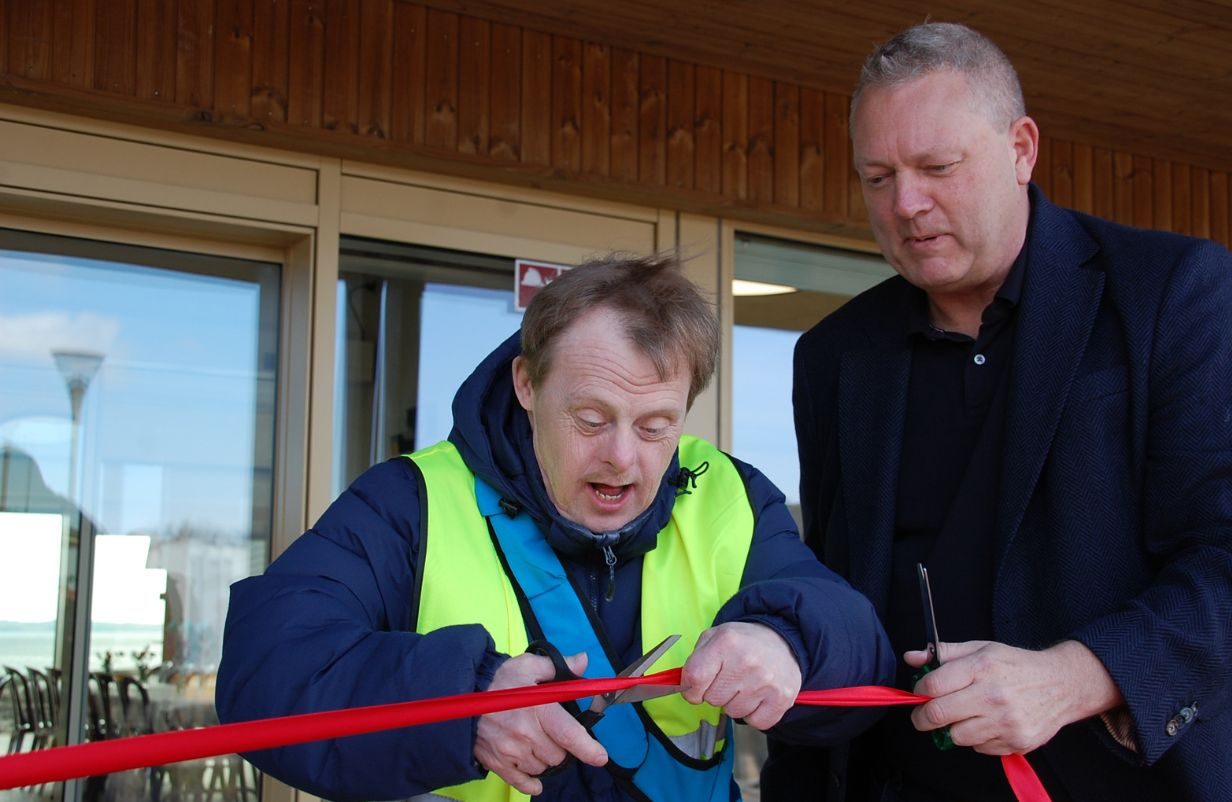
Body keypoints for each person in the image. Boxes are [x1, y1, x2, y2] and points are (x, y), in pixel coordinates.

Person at [217, 253, 894, 802]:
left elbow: (860, 648)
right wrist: (462, 704)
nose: (622, 457)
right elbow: (267, 671)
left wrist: (789, 643)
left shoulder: (730, 495)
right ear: (527, 385)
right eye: (591, 419)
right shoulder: (412, 500)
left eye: (656, 425)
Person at [762, 21, 1232, 802]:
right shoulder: (833, 354)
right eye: (877, 177)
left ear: (1021, 149)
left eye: (937, 166)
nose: (906, 204)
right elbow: (834, 591)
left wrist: (1076, 676)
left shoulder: (1174, 293)